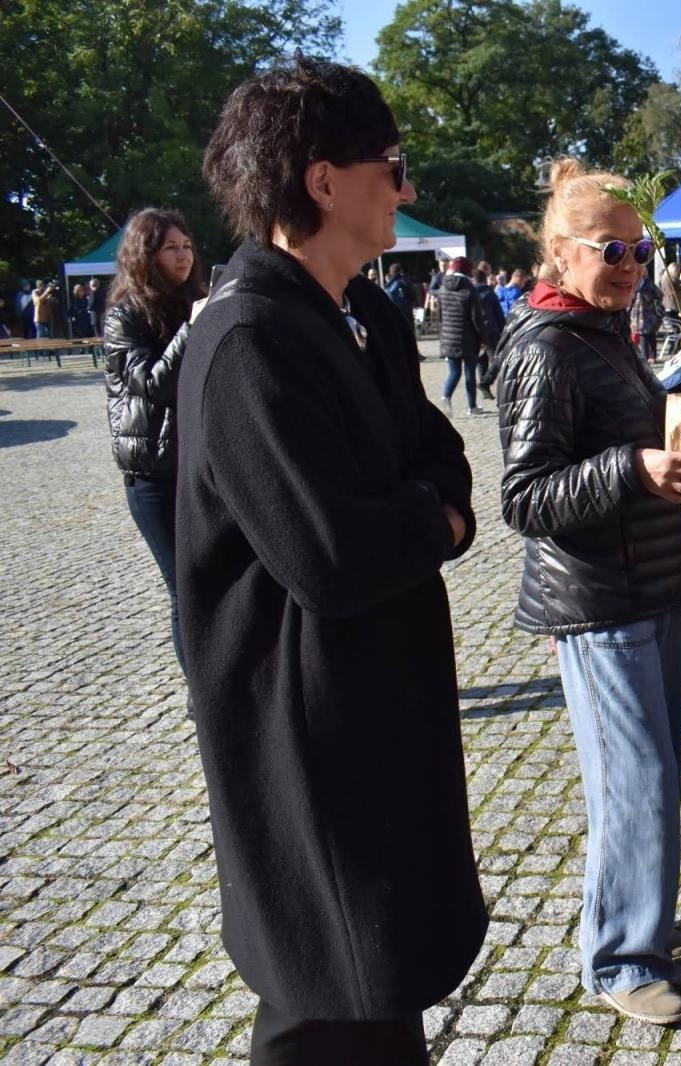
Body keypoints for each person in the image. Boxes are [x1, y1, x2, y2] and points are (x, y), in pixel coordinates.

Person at [179, 57, 486, 1065]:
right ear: (321, 179)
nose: (405, 187)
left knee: (375, 984)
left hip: (377, 701)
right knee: (331, 989)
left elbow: (442, 458)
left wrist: (423, 504)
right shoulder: (248, 341)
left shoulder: (371, 314)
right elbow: (331, 556)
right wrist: (427, 517)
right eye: (390, 165)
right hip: (305, 729)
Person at [497, 157, 681, 1028]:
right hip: (598, 600)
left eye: (637, 247)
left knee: (655, 778)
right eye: (609, 248)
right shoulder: (545, 346)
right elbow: (524, 496)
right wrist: (633, 467)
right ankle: (620, 958)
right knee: (637, 781)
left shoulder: (604, 331)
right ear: (559, 252)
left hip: (650, 585)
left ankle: (641, 924)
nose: (628, 263)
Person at [102, 207, 206, 676]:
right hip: (152, 476)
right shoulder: (124, 317)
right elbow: (153, 385)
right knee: (184, 586)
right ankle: (202, 695)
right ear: (147, 253)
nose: (183, 256)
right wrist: (191, 330)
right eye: (171, 248)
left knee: (215, 579)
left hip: (200, 467)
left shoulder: (197, 301)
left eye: (186, 246)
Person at [434, 255, 485, 415]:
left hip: (448, 338)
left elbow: (440, 315)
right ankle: (472, 406)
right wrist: (482, 337)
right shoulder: (469, 288)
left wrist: (442, 336)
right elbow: (476, 317)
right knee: (470, 372)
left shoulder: (442, 287)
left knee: (454, 371)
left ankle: (446, 395)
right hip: (468, 338)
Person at [470, 265, 505, 402]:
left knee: (482, 358)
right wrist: (504, 330)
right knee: (498, 357)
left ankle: (484, 387)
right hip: (491, 329)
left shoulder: (470, 293)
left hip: (476, 330)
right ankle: (485, 382)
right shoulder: (490, 293)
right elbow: (498, 314)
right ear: (485, 280)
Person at [629, 268, 664, 364]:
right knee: (642, 335)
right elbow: (630, 300)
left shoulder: (648, 284)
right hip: (637, 315)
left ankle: (651, 356)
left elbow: (660, 294)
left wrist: (653, 303)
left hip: (649, 314)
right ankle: (645, 357)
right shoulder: (633, 283)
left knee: (650, 335)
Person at [384, 262, 416, 329]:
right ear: (400, 271)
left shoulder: (388, 285)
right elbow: (413, 296)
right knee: (408, 328)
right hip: (406, 310)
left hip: (393, 311)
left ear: (390, 272)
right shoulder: (405, 281)